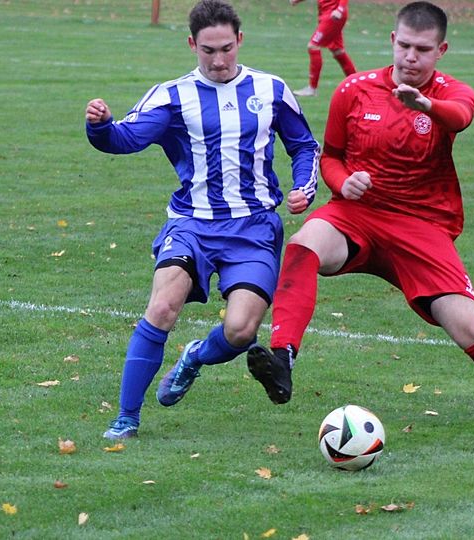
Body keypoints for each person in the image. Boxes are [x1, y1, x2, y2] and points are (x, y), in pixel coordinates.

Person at [246, 1, 474, 453]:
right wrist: (343, 183)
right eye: (404, 46)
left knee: (470, 328)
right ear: (392, 41)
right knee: (304, 244)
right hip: (357, 215)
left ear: (441, 50)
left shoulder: (452, 93)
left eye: (422, 49)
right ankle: (283, 356)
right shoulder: (354, 89)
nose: (410, 57)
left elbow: (461, 116)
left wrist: (426, 105)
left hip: (422, 227)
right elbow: (332, 157)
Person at [85, 0, 320, 440]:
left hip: (254, 229)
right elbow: (124, 139)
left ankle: (194, 357)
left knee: (241, 329)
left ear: (240, 41)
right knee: (162, 306)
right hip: (191, 224)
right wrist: (101, 126)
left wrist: (305, 187)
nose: (218, 60)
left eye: (226, 49)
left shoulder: (270, 89)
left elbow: (304, 145)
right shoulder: (172, 97)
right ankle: (126, 418)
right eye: (208, 50)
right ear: (192, 45)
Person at [290, 0, 358, 97]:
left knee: (313, 46)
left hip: (333, 15)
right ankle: (358, 82)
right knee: (337, 51)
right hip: (326, 13)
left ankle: (312, 88)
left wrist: (340, 9)